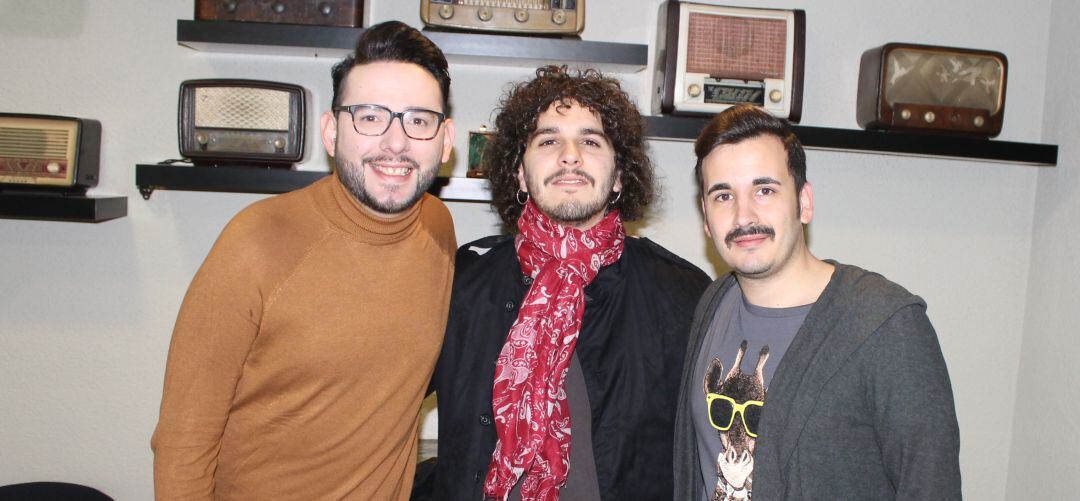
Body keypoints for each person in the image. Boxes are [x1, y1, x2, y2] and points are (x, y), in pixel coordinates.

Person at [151, 21, 457, 500]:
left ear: (445, 139)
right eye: (370, 117)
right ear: (332, 132)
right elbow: (182, 443)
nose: (396, 143)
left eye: (418, 120)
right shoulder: (256, 242)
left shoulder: (437, 230)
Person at [414, 65, 711, 501]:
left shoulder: (683, 295)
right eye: (549, 140)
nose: (570, 155)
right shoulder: (461, 285)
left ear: (619, 176)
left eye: (590, 141)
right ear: (519, 172)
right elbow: (376, 409)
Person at [674, 105, 961, 500]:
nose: (744, 215)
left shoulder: (886, 325)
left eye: (765, 190)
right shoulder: (713, 304)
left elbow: (930, 487)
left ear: (804, 203)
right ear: (706, 218)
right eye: (723, 195)